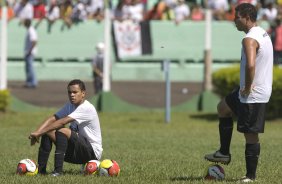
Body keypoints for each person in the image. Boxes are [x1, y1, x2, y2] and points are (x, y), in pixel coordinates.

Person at [204, 3, 273, 183]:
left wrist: (248, 87)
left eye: (237, 17)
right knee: (223, 107)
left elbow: (251, 65)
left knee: (250, 135)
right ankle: (224, 153)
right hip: (248, 91)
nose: (234, 20)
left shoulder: (249, 39)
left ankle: (250, 176)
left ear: (247, 18)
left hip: (253, 94)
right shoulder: (262, 32)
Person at [29, 79, 103, 176]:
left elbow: (63, 121)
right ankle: (41, 170)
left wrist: (39, 133)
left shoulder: (86, 108)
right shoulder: (70, 105)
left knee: (62, 130)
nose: (72, 95)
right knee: (48, 132)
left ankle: (57, 172)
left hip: (92, 153)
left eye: (75, 92)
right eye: (69, 92)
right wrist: (38, 132)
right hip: (76, 151)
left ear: (83, 93)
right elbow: (53, 118)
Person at [23, 19, 38, 88]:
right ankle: (29, 82)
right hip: (28, 52)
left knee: (30, 67)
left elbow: (34, 41)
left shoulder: (31, 30)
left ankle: (33, 82)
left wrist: (30, 51)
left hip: (30, 52)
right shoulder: (29, 30)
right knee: (28, 68)